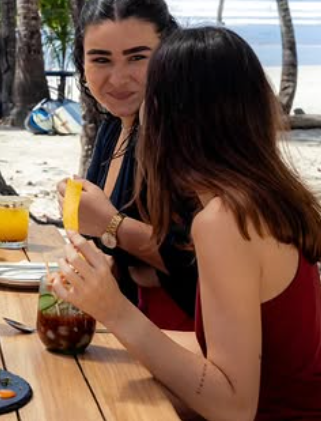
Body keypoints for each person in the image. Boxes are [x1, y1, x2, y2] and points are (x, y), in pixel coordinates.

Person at [53, 26, 321, 420]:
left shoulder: (224, 221)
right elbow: (222, 351)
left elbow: (233, 407)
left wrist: (115, 310)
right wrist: (112, 330)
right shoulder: (263, 197)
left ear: (167, 117)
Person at [58, 0, 197, 330]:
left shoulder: (185, 134)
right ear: (82, 65)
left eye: (137, 58)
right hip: (122, 325)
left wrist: (110, 224)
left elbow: (204, 261)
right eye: (101, 60)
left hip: (185, 337)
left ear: (168, 54)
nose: (118, 79)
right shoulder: (113, 127)